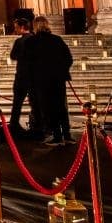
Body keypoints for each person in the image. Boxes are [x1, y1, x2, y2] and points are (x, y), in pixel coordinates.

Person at [23, 16, 74, 146]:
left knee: (48, 108)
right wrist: (61, 70)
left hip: (41, 80)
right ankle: (67, 135)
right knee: (61, 106)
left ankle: (56, 136)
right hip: (58, 78)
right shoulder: (57, 40)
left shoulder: (31, 42)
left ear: (35, 26)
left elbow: (27, 64)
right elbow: (68, 58)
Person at [6, 15, 38, 138]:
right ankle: (37, 125)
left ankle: (14, 125)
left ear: (22, 27)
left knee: (17, 103)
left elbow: (13, 56)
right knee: (34, 102)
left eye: (16, 27)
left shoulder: (20, 41)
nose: (15, 30)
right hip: (34, 76)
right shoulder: (35, 39)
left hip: (22, 76)